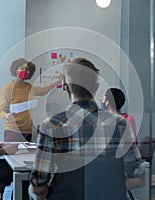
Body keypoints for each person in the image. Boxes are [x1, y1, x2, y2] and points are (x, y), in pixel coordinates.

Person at [28, 58, 143, 200]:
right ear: (95, 88)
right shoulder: (120, 124)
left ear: (67, 88)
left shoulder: (52, 126)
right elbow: (137, 179)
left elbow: (39, 188)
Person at [0, 58, 63, 142]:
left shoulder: (29, 87)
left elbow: (44, 91)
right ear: (15, 70)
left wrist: (58, 81)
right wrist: (6, 115)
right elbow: (2, 110)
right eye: (22, 68)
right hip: (12, 130)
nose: (24, 71)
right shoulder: (8, 88)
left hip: (27, 131)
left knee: (26, 155)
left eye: (27, 69)